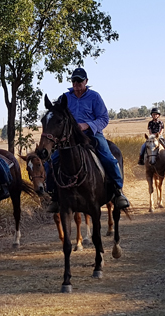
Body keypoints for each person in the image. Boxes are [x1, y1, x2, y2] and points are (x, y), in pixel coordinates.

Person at [46, 67, 130, 213]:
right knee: (52, 160)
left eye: (80, 81)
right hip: (69, 138)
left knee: (108, 158)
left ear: (86, 82)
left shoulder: (95, 97)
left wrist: (86, 125)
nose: (77, 84)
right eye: (74, 81)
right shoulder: (65, 97)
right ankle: (54, 195)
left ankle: (118, 191)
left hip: (92, 134)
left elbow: (104, 119)